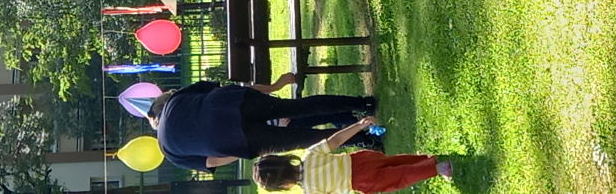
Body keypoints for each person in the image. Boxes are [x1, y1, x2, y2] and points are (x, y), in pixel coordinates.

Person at [148, 72, 378, 171]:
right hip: (233, 102)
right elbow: (222, 89)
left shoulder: (171, 153)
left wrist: (244, 150)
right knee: (299, 107)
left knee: (305, 139)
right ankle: (362, 103)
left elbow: (213, 161)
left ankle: (365, 139)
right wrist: (275, 87)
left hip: (238, 140)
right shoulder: (176, 100)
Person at [252, 118, 452, 194]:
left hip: (359, 180)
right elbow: (336, 140)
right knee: (393, 162)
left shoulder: (311, 191)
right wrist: (359, 125)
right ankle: (427, 160)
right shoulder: (310, 154)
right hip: (359, 159)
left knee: (399, 177)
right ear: (285, 159)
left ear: (283, 185)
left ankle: (437, 168)